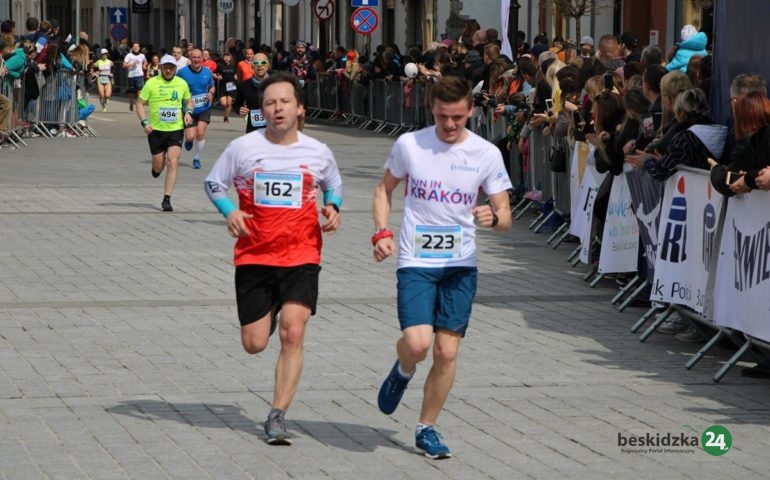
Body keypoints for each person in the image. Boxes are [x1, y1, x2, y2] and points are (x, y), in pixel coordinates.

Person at [371, 75, 512, 459]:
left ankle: (426, 428)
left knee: (446, 353)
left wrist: (494, 218)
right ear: (431, 109)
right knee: (418, 345)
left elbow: (505, 215)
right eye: (442, 116)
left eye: (458, 118)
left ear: (471, 111)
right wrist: (381, 232)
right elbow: (383, 189)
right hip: (416, 260)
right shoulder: (410, 145)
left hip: (460, 266)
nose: (449, 125)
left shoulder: (485, 153)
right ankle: (403, 369)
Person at [204, 72, 343, 445]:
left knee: (293, 331)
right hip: (255, 254)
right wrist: (229, 210)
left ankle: (277, 415)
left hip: (302, 253)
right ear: (261, 110)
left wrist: (333, 207)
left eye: (284, 102)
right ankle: (271, 310)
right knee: (254, 344)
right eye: (270, 103)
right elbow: (213, 183)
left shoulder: (317, 151)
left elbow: (333, 183)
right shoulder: (242, 148)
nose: (277, 108)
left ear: (299, 109)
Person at [135, 54, 194, 212]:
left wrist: (188, 112)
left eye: (171, 68)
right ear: (161, 68)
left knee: (172, 161)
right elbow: (139, 103)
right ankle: (156, 170)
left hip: (175, 129)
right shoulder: (151, 83)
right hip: (156, 131)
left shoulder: (181, 83)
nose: (168, 70)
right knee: (158, 167)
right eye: (166, 67)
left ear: (175, 68)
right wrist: (144, 122)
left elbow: (189, 101)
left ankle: (167, 199)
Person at [176, 48, 215, 169]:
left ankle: (197, 158)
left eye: (199, 57)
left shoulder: (207, 72)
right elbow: (175, 87)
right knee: (190, 136)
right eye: (194, 57)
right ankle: (188, 140)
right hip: (188, 109)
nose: (196, 60)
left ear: (202, 59)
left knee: (200, 132)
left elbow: (212, 86)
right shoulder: (182, 72)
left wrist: (211, 93)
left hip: (204, 107)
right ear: (190, 59)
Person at [234, 52, 270, 133]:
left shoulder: (276, 84)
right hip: (253, 130)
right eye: (256, 63)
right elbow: (236, 105)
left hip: (273, 130)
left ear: (267, 66)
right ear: (252, 66)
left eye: (263, 62)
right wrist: (239, 109)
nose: (259, 65)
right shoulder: (243, 85)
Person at [123, 42, 147, 112]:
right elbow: (124, 65)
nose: (135, 48)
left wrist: (144, 65)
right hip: (131, 75)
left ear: (139, 48)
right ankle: (131, 102)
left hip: (139, 75)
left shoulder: (142, 56)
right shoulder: (129, 55)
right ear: (132, 48)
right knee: (131, 92)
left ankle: (139, 104)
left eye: (137, 46)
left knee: (140, 90)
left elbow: (145, 62)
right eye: (134, 46)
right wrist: (131, 64)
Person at [216, 51, 237, 123]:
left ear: (230, 58)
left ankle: (226, 117)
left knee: (229, 103)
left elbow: (236, 74)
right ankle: (227, 110)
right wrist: (217, 77)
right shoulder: (220, 65)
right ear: (223, 58)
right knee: (223, 103)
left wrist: (236, 76)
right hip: (223, 86)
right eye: (225, 57)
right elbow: (214, 73)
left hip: (231, 85)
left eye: (228, 57)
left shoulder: (233, 66)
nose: (226, 58)